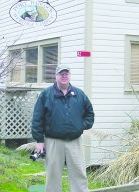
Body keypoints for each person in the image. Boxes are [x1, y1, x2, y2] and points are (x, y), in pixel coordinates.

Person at [32, 64, 95, 192]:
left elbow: (90, 114)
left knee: (79, 173)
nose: (64, 76)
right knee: (53, 175)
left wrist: (81, 125)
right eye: (61, 73)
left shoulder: (79, 94)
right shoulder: (46, 94)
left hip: (74, 141)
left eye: (66, 73)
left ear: (70, 75)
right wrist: (39, 140)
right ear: (56, 76)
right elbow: (37, 119)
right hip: (53, 141)